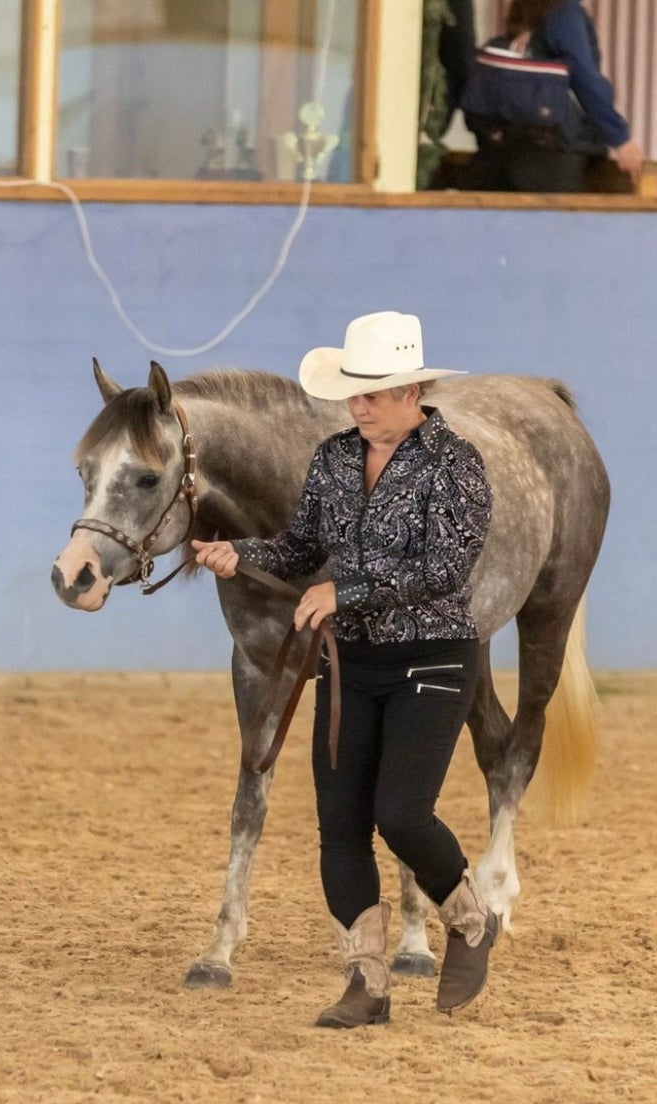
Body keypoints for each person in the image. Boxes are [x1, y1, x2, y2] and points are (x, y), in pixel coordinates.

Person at [192, 311, 499, 1029]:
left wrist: (345, 591)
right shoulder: (332, 458)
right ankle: (367, 982)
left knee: (401, 813)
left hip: (433, 656)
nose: (357, 404)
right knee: (339, 825)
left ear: (413, 389)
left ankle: (470, 917)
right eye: (353, 392)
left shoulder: (457, 465)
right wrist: (245, 554)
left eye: (373, 391)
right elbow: (301, 546)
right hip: (351, 659)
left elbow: (445, 570)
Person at [463, 0, 644, 193]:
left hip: (496, 154)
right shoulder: (565, 13)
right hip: (551, 154)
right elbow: (584, 78)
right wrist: (620, 138)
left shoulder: (525, 12)